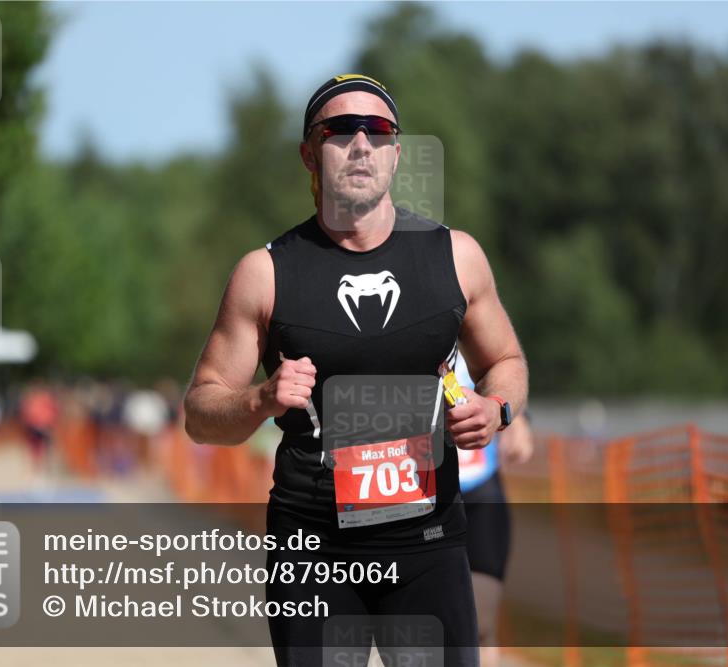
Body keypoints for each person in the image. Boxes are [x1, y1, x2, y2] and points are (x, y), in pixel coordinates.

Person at [184, 73, 529, 666]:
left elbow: (506, 361)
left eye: (379, 130)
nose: (362, 143)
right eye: (341, 130)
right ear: (309, 154)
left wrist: (496, 409)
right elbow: (199, 412)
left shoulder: (456, 257)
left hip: (428, 543)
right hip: (312, 548)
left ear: (397, 152)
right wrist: (260, 400)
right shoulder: (266, 273)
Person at [455, 353, 534, 667]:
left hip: (479, 494)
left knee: (479, 624)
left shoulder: (472, 335)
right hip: (414, 501)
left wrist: (519, 419)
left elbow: (506, 368)